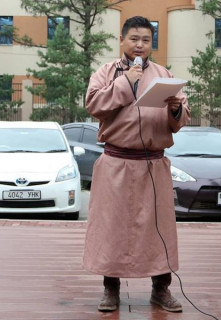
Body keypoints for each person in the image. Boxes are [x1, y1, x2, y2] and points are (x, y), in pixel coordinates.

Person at [82, 16, 190, 312]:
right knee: (112, 228)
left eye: (145, 39)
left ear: (151, 43)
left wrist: (176, 108)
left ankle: (161, 289)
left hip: (153, 165)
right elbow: (94, 105)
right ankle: (111, 289)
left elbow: (180, 120)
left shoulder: (163, 74)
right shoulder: (106, 72)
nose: (140, 45)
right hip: (117, 162)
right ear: (122, 40)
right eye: (134, 38)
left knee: (159, 229)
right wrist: (125, 81)